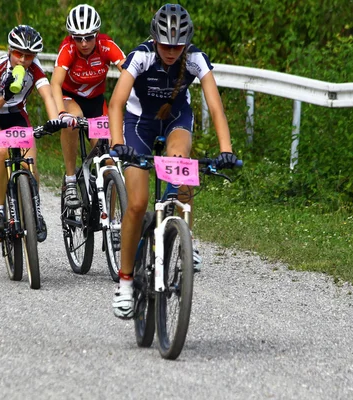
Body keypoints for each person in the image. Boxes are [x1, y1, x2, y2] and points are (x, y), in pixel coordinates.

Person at [108, 4, 239, 319]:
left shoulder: (195, 59)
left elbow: (216, 107)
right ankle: (125, 282)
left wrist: (226, 149)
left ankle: (182, 234)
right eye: (165, 44)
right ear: (155, 39)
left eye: (177, 46)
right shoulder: (140, 56)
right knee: (138, 205)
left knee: (181, 165)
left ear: (186, 43)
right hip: (139, 123)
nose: (170, 51)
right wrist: (117, 144)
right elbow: (116, 103)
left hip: (176, 119)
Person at [0, 25, 64, 242]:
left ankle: (35, 211)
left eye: (29, 55)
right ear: (10, 50)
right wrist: (5, 96)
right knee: (0, 153)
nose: (23, 60)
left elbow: (47, 95)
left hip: (16, 115)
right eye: (18, 54)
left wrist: (54, 120)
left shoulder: (34, 69)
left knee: (29, 160)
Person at [50, 4, 126, 209]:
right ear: (71, 37)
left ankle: (111, 220)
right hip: (70, 98)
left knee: (109, 162)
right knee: (71, 122)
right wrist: (61, 113)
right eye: (78, 38)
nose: (84, 43)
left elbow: (129, 73)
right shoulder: (68, 49)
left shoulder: (107, 45)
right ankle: (71, 180)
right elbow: (55, 83)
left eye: (89, 37)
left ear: (97, 34)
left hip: (96, 103)